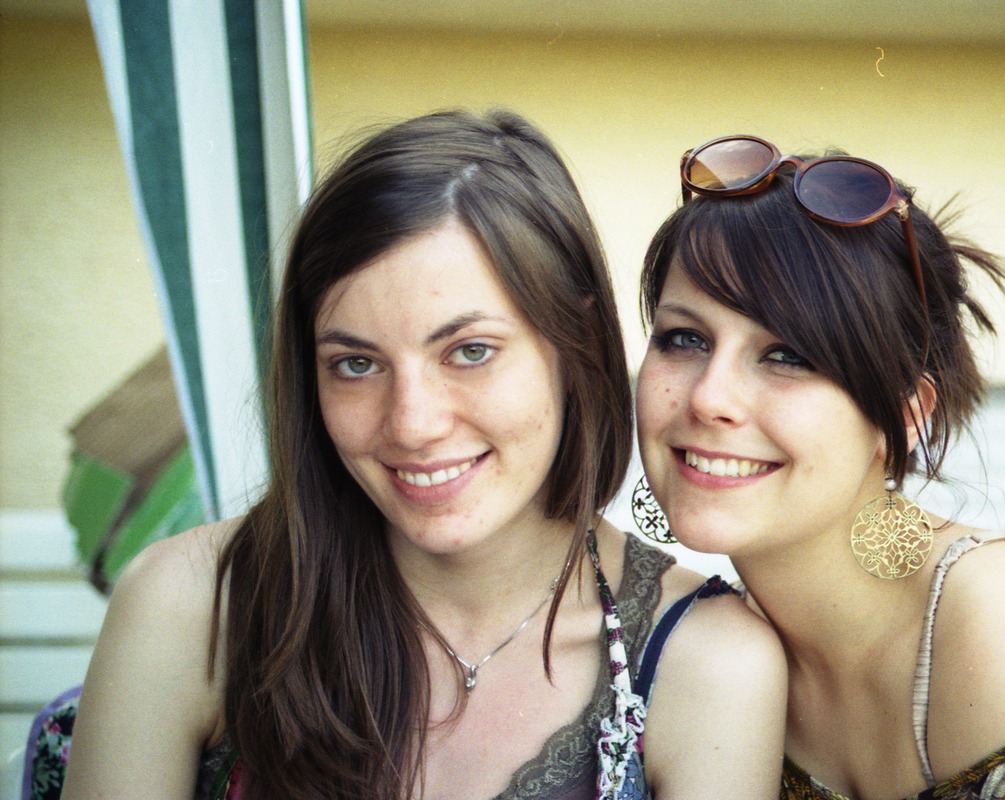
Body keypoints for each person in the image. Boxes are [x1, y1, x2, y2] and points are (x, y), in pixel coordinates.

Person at [61, 112, 787, 800]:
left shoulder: (705, 663)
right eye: (355, 364)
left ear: (576, 348)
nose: (412, 424)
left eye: (469, 351)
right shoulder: (193, 606)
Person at [633, 134, 1005, 799]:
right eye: (685, 338)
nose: (709, 398)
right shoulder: (707, 657)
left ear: (907, 414)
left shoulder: (1002, 617)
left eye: (788, 355)